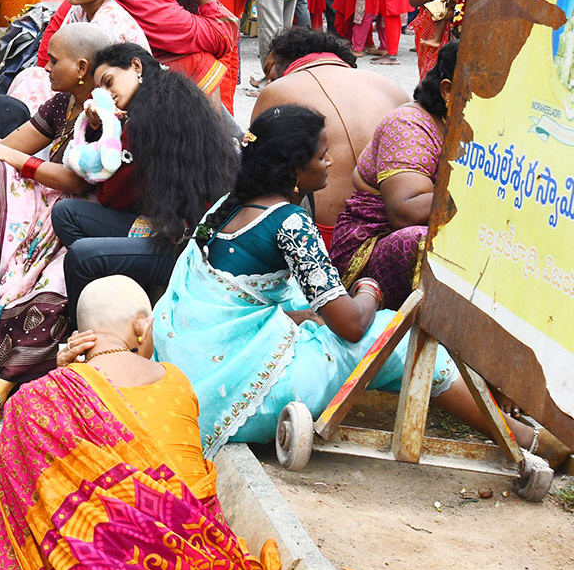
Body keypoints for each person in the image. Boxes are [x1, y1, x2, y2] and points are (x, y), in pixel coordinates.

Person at [147, 101, 553, 463]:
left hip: (195, 379)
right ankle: (524, 440)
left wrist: (314, 313)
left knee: (323, 320)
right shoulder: (290, 223)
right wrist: (369, 290)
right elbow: (352, 324)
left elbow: (240, 299)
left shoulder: (225, 207)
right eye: (322, 156)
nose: (330, 164)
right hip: (247, 399)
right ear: (293, 168)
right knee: (391, 334)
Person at [0, 276, 280, 570]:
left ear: (83, 336)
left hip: (93, 558)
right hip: (191, 551)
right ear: (143, 326)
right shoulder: (176, 380)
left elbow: (28, 483)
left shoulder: (43, 396)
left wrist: (63, 375)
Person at [0, 23, 112, 423]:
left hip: (89, 216)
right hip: (50, 206)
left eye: (53, 60)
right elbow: (8, 147)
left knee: (54, 280)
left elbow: (75, 180)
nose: (44, 67)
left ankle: (1, 384)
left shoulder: (104, 114)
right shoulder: (60, 103)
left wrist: (12, 160)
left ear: (82, 67)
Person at [55, 42, 238, 324]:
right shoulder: (169, 94)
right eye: (100, 90)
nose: (107, 94)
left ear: (136, 66)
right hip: (166, 225)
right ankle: (122, 299)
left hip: (189, 245)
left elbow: (111, 196)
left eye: (109, 82)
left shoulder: (146, 119)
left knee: (81, 256)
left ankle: (94, 338)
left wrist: (109, 131)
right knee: (65, 212)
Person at [254, 27, 408, 247]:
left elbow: (255, 173)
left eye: (269, 73)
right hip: (402, 229)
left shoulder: (279, 90)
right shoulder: (391, 87)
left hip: (325, 235)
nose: (267, 83)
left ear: (286, 61)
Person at [330, 42, 456, 308]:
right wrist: (483, 192)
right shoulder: (409, 125)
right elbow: (405, 212)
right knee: (419, 240)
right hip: (374, 247)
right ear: (448, 89)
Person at [8, 0, 149, 111]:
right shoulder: (78, 9)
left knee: (37, 85)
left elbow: (86, 78)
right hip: (86, 86)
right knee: (31, 76)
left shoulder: (108, 23)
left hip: (117, 101)